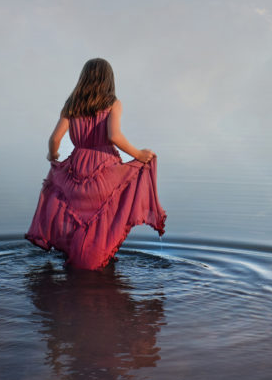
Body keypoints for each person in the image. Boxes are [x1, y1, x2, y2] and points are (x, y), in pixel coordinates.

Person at [24, 58, 167, 269]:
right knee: (104, 220)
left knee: (75, 220)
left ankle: (78, 258)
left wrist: (52, 156)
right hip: (104, 171)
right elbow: (114, 136)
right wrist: (138, 154)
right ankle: (97, 259)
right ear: (109, 79)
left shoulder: (72, 104)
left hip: (75, 171)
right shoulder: (113, 103)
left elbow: (55, 139)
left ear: (83, 78)